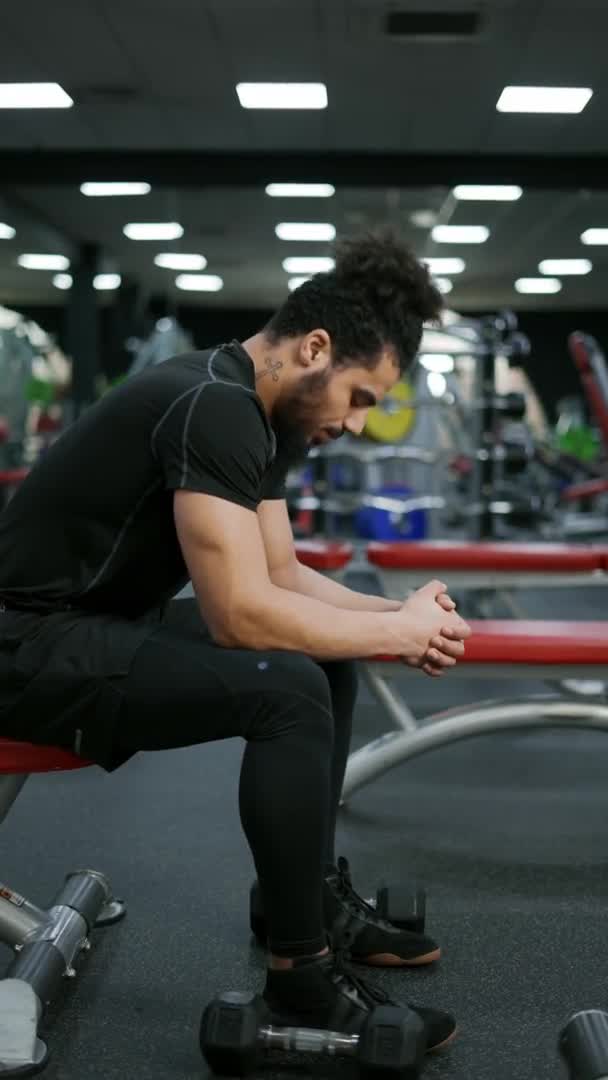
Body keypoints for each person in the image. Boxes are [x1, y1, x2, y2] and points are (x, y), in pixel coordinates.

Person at [0, 231, 471, 1053]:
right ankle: (301, 979)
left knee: (325, 656)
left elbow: (281, 577)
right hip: (24, 645)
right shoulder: (212, 405)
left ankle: (304, 899)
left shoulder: (252, 405)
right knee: (282, 689)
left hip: (94, 623)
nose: (358, 425)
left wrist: (392, 615)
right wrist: (393, 630)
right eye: (359, 397)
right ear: (315, 348)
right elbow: (240, 618)